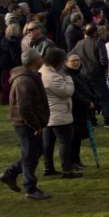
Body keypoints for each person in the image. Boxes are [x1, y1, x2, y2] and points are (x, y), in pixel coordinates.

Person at [0, 48, 51, 200]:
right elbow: (24, 107)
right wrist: (35, 126)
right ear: (36, 60)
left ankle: (11, 173)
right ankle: (30, 187)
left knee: (37, 151)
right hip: (26, 124)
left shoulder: (31, 76)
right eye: (40, 57)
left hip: (30, 122)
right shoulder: (25, 80)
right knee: (30, 155)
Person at [39, 48, 80, 179]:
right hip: (58, 114)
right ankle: (67, 170)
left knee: (48, 143)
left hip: (48, 114)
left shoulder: (42, 72)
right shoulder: (52, 77)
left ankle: (48, 167)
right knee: (64, 142)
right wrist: (68, 79)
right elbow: (67, 92)